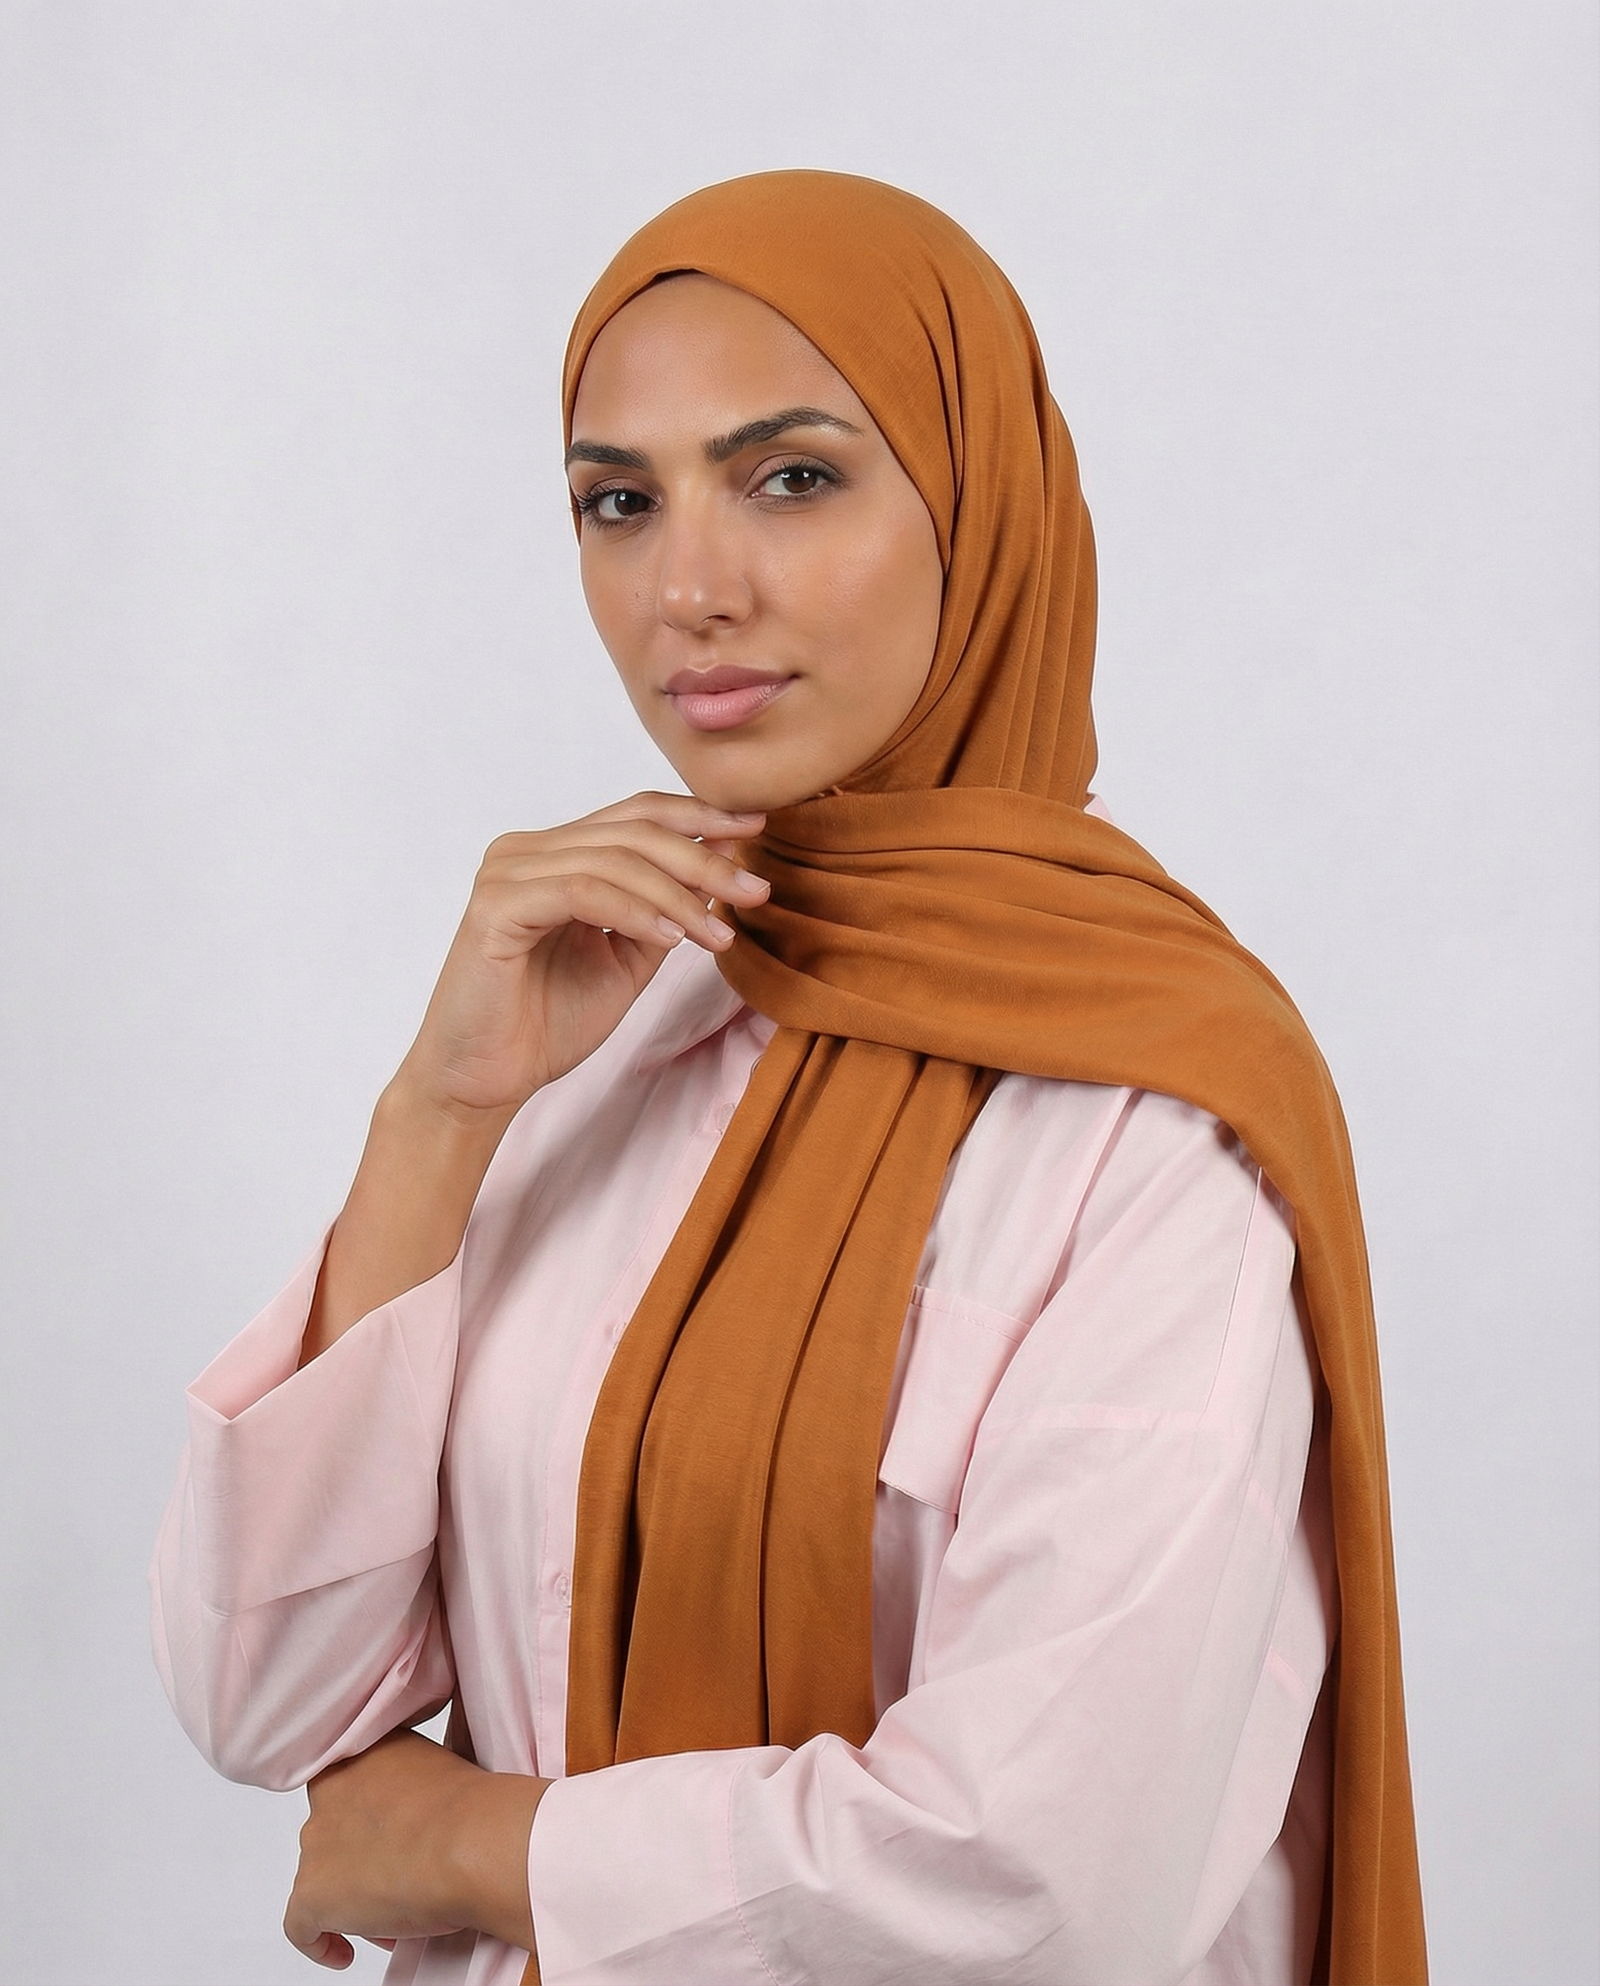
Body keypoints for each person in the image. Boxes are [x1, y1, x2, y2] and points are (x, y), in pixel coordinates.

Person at [151, 171, 1427, 1986]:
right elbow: (266, 1696)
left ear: (977, 509)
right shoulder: (601, 1039)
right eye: (620, 502)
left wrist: (482, 1847)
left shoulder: (1155, 1124)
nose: (689, 588)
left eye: (793, 478)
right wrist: (436, 1118)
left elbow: (1047, 1880)